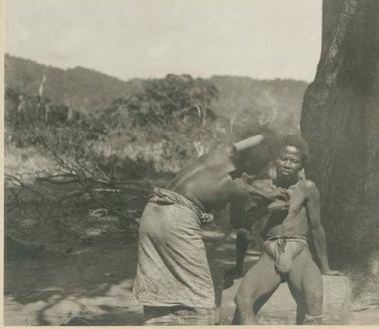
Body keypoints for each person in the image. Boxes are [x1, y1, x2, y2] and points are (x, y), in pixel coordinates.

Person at [132, 131, 282, 325]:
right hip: (178, 221)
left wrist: (264, 137)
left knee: (160, 287)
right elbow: (239, 222)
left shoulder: (217, 155)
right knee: (199, 298)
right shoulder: (235, 188)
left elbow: (239, 147)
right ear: (252, 167)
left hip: (152, 212)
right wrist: (270, 206)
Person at [232, 134, 341, 325]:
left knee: (314, 300)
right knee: (242, 299)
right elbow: (241, 224)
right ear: (275, 159)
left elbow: (316, 228)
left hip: (298, 250)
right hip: (271, 252)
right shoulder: (261, 187)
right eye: (284, 159)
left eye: (294, 161)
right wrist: (267, 209)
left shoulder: (307, 188)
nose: (288, 164)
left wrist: (326, 267)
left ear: (301, 165)